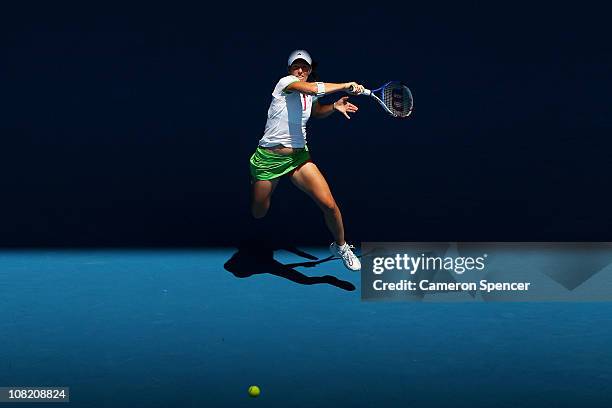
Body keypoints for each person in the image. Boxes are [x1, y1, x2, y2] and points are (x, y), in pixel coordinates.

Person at [248, 49, 364, 271]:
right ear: (290, 70)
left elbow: (317, 111)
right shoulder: (286, 83)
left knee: (329, 204)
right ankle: (258, 179)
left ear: (310, 70)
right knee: (259, 212)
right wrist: (344, 85)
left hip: (299, 158)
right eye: (295, 66)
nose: (300, 70)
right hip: (269, 159)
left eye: (304, 67)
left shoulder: (309, 94)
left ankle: (341, 246)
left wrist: (334, 106)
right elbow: (313, 88)